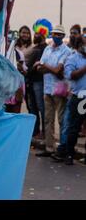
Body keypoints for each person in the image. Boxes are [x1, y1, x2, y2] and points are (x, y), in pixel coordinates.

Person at [34, 25, 72, 157]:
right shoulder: (47, 49)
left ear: (63, 36)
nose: (56, 36)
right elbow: (40, 69)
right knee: (48, 119)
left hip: (59, 89)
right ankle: (49, 148)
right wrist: (48, 67)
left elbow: (58, 71)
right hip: (47, 87)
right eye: (54, 34)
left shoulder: (66, 51)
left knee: (61, 120)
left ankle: (62, 149)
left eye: (59, 34)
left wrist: (44, 66)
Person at [62, 34, 86, 165]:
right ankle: (69, 153)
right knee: (74, 127)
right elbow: (70, 75)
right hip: (80, 97)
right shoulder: (73, 58)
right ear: (79, 45)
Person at [26, 19, 51, 138]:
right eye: (35, 33)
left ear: (43, 35)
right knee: (33, 108)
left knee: (41, 107)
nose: (35, 35)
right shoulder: (36, 48)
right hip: (31, 81)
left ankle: (45, 132)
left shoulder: (44, 49)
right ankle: (36, 131)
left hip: (39, 82)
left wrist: (32, 67)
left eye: (37, 34)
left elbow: (39, 66)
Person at [15, 26, 34, 113]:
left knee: (29, 103)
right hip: (14, 77)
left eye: (27, 33)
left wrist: (24, 70)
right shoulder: (14, 45)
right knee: (13, 102)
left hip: (27, 77)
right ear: (19, 33)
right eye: (23, 32)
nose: (25, 35)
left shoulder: (32, 47)